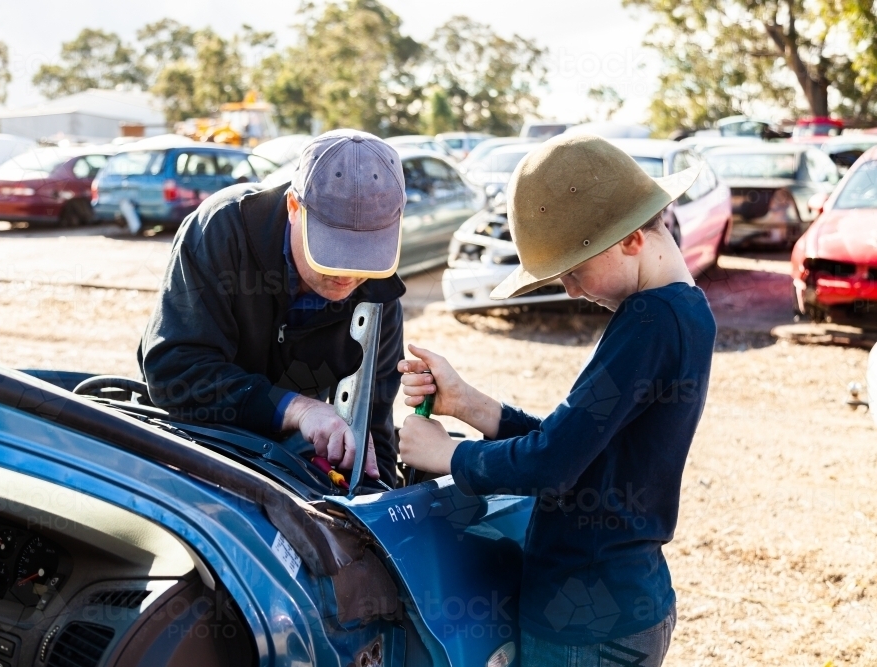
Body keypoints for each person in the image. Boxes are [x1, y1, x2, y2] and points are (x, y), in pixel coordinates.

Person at [397, 134, 716, 665]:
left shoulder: (649, 321)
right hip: (623, 602)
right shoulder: (683, 312)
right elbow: (580, 444)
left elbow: (554, 462)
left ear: (632, 238)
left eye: (573, 268)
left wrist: (449, 455)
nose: (569, 288)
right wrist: (471, 405)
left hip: (585, 624)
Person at [137, 129, 407, 486]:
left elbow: (373, 427)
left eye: (364, 254)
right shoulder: (222, 229)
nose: (349, 273)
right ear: (294, 208)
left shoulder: (379, 286)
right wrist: (299, 408)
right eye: (333, 252)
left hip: (289, 468)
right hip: (198, 450)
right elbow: (174, 372)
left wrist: (380, 504)